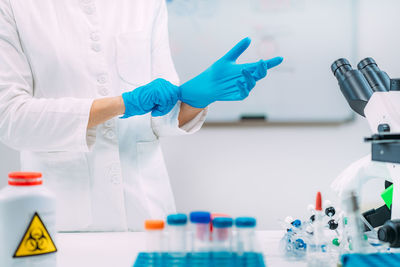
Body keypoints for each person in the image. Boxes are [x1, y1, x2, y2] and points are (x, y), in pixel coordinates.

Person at [0, 0, 282, 231]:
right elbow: (10, 117)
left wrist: (195, 98)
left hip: (147, 214)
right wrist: (122, 103)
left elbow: (161, 117)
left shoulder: (146, 4)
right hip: (61, 221)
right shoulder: (15, 7)